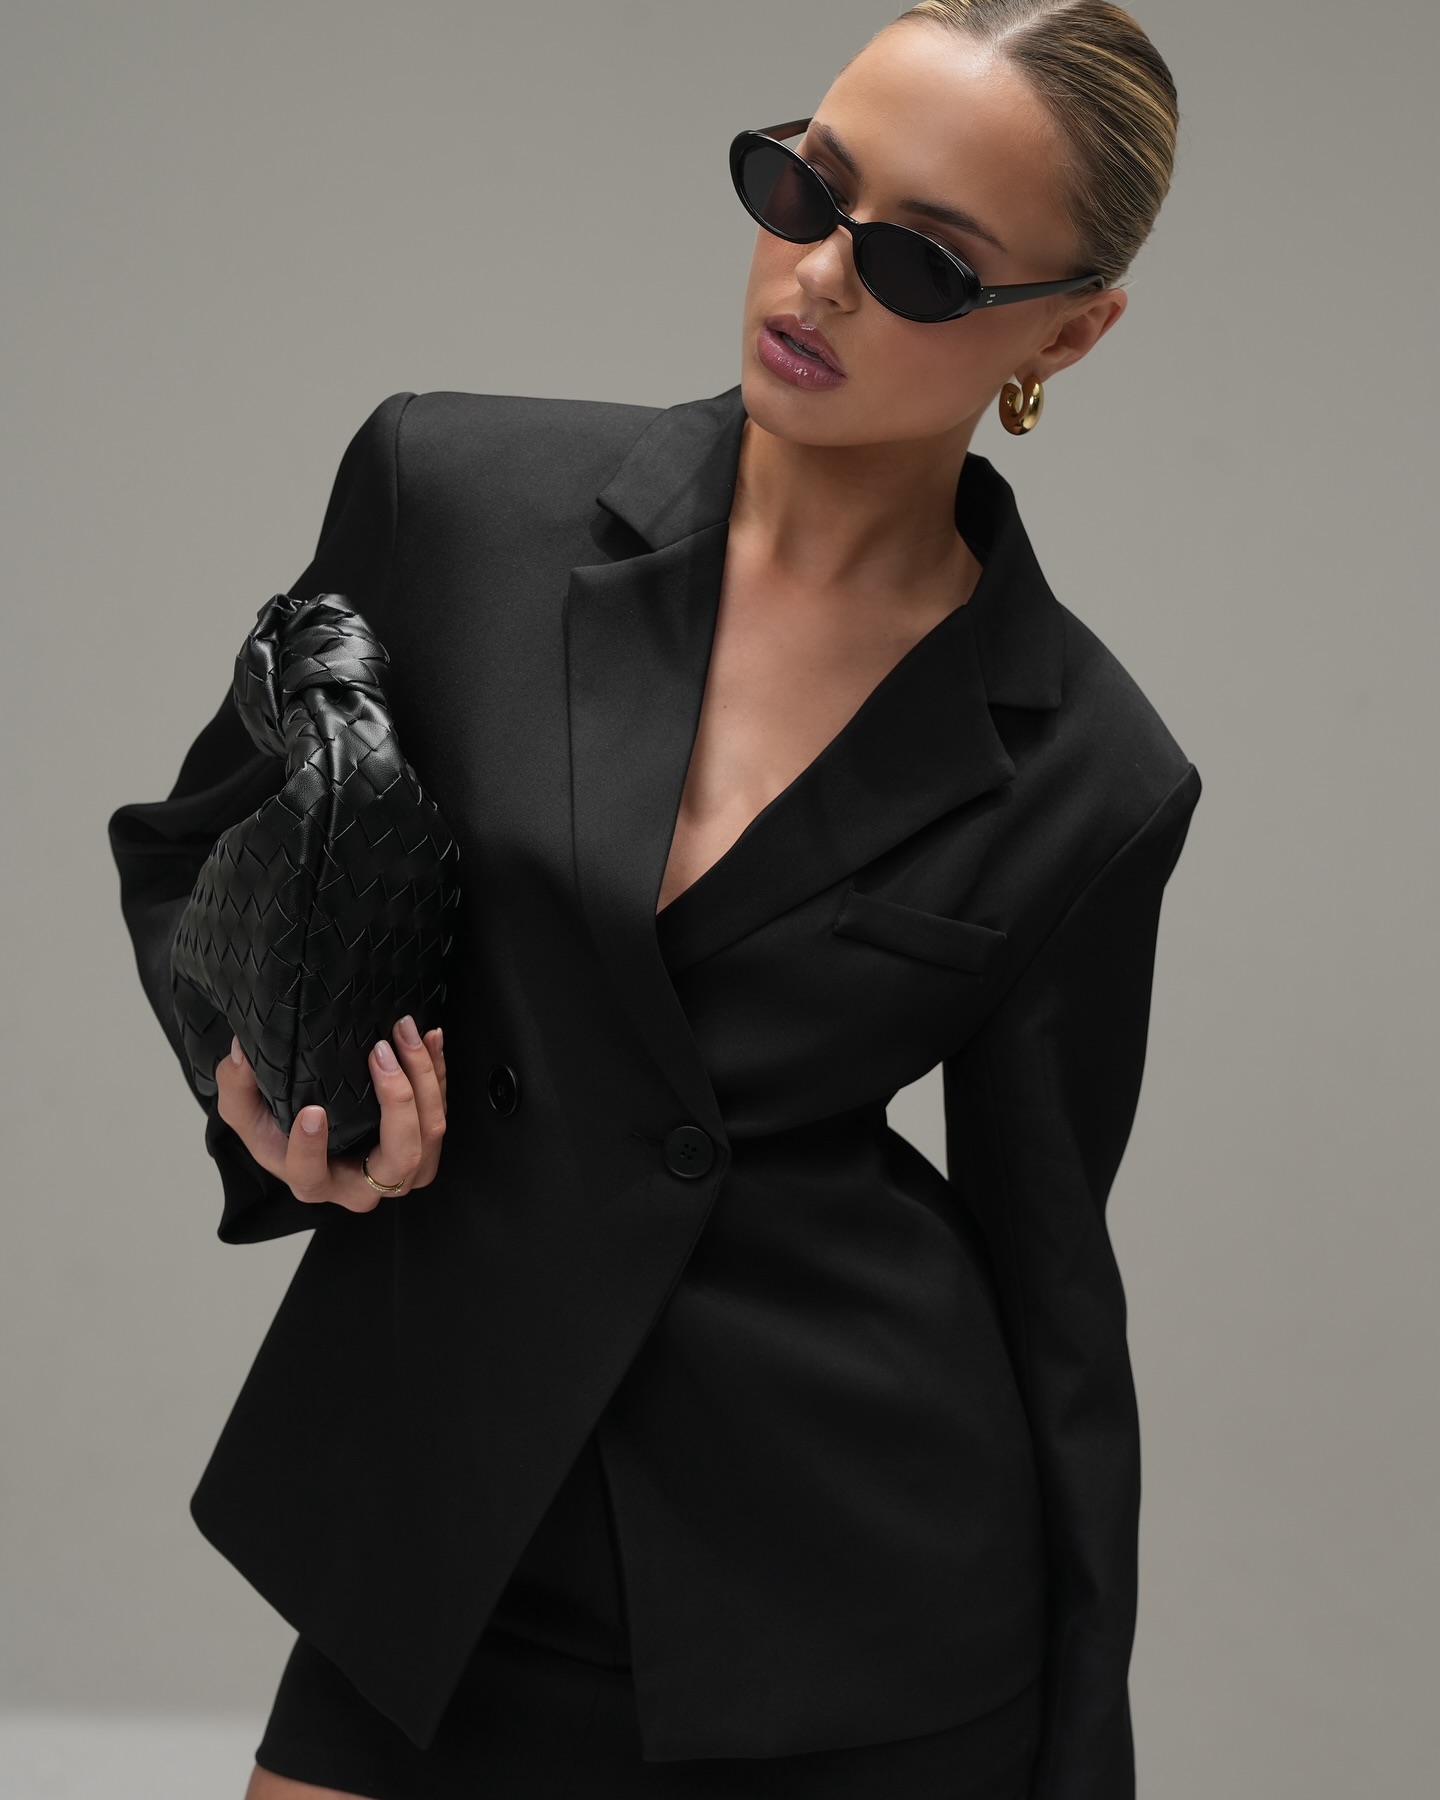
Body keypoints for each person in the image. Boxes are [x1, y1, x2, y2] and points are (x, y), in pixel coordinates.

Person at [109, 4, 1200, 1796]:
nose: (820, 274)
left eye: (923, 264)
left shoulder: (1094, 766)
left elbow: (1057, 1293)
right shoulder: (458, 494)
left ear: (1068, 332)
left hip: (848, 1595)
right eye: (806, 188)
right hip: (444, 1516)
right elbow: (199, 852)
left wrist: (1086, 1761)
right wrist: (275, 1089)